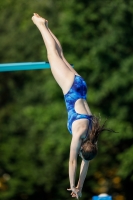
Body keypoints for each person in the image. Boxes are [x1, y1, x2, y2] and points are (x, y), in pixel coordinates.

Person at [31, 13, 113, 199]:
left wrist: (79, 187)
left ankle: (47, 26)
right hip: (70, 88)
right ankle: (40, 25)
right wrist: (71, 186)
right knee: (52, 55)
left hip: (80, 85)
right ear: (83, 147)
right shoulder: (79, 133)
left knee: (60, 55)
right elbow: (72, 162)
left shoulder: (93, 135)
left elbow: (85, 164)